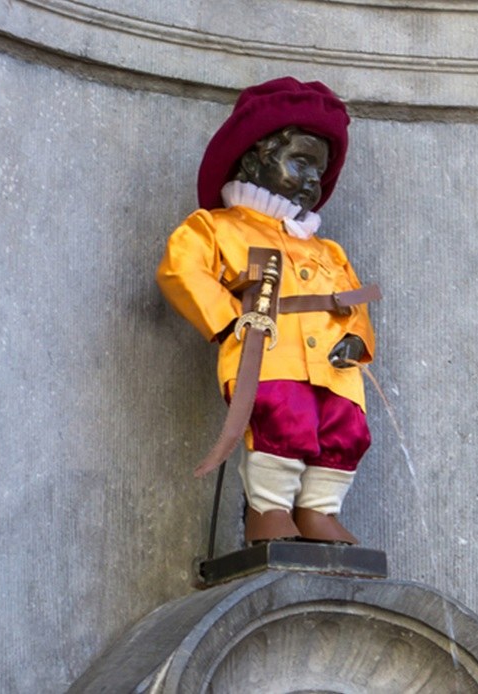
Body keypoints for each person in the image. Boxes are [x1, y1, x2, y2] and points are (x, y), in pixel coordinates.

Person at [157, 77, 378, 545]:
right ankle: (270, 511)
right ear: (256, 158)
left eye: (320, 170)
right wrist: (227, 320)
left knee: (347, 429)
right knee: (283, 422)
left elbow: (352, 298)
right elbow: (182, 269)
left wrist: (357, 340)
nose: (313, 179)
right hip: (268, 353)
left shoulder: (327, 249)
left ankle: (319, 512)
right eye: (300, 161)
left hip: (334, 366)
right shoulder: (218, 228)